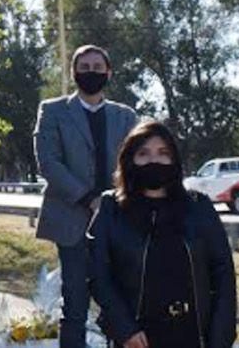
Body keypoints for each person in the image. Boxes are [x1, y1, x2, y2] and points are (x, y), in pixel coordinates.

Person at [88, 120, 237, 348]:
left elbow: (223, 273)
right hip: (137, 338)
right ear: (130, 161)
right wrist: (124, 329)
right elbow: (98, 273)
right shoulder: (111, 208)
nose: (153, 160)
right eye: (143, 154)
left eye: (162, 153)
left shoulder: (199, 206)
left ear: (174, 159)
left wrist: (221, 338)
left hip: (192, 333)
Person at [34, 44, 139, 347]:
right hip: (71, 220)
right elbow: (48, 161)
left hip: (119, 220)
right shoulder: (53, 110)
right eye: (84, 67)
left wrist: (114, 200)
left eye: (97, 67)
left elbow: (134, 161)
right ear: (74, 73)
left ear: (108, 72)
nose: (90, 72)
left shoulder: (125, 116)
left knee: (121, 302)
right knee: (75, 303)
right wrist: (88, 199)